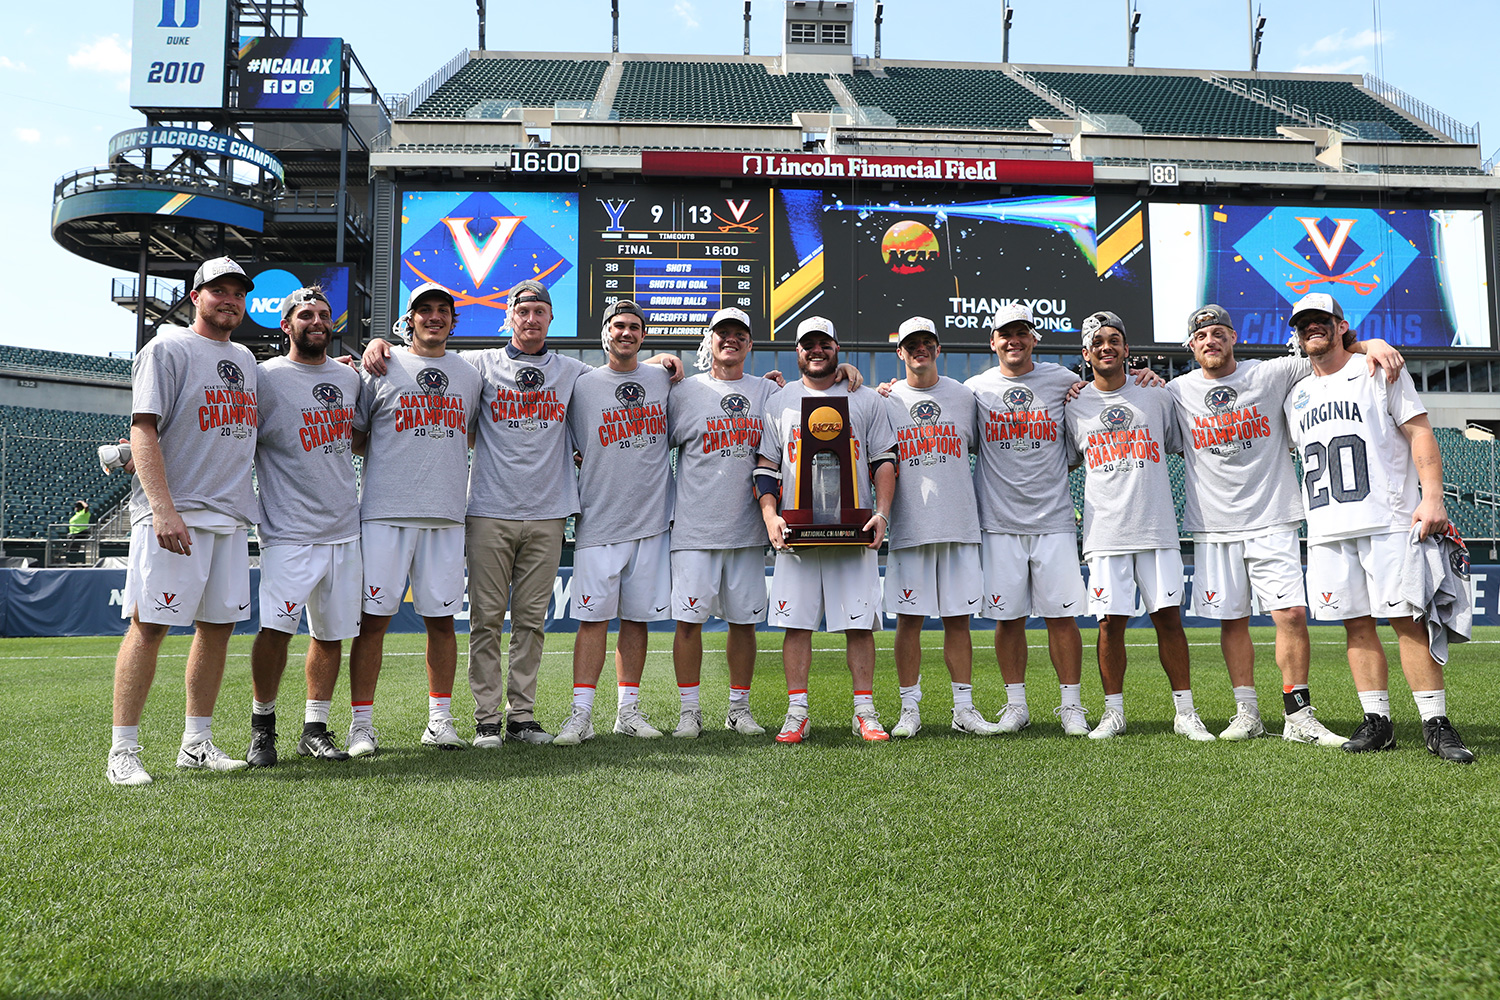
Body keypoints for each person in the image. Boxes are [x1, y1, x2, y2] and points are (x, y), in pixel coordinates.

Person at [361, 280, 683, 747]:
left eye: (540, 312)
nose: (531, 319)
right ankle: (487, 718)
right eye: (523, 311)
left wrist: (660, 361)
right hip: (488, 509)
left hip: (550, 511)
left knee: (532, 621)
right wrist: (379, 344)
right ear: (509, 317)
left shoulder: (573, 372)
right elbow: (425, 360)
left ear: (552, 319)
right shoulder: (477, 365)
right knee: (487, 619)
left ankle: (522, 716)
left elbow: (619, 370)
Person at [1168, 303, 1402, 745]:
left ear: (1234, 337)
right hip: (1212, 524)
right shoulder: (1176, 391)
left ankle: (1297, 715)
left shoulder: (1272, 373)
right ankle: (1247, 712)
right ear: (1191, 346)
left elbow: (1330, 353)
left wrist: (1373, 343)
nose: (1211, 341)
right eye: (1201, 337)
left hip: (1272, 516)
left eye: (1219, 332)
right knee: (1232, 620)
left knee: (1292, 614)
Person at [1283, 292, 1474, 762]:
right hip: (1328, 525)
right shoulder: (1295, 393)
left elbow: (1420, 430)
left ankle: (1435, 723)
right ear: (1296, 333)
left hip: (1386, 518)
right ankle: (1378, 722)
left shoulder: (1378, 368)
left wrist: (1433, 497)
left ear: (1340, 325)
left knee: (1408, 622)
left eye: (1322, 320)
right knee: (1356, 625)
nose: (1313, 328)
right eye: (1304, 323)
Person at [105, 256, 260, 786]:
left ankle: (197, 742)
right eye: (219, 290)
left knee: (217, 630)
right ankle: (123, 750)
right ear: (196, 296)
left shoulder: (243, 356)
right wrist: (162, 508)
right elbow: (143, 430)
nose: (230, 300)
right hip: (177, 513)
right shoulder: (166, 346)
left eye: (239, 293)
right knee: (149, 627)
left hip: (230, 515)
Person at [1064, 311, 1213, 742]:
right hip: (1105, 533)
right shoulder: (1073, 404)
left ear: (1127, 349)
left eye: (1115, 339)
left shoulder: (1158, 395)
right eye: (1097, 342)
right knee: (1110, 623)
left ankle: (1185, 712)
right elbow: (1068, 458)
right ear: (1087, 354)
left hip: (1156, 529)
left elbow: (1183, 445)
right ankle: (1114, 713)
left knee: (1169, 619)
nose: (1106, 347)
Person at [346, 282, 481, 756]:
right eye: (425, 310)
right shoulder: (380, 366)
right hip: (384, 512)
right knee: (373, 622)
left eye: (443, 310)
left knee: (442, 622)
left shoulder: (469, 373)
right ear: (409, 320)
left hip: (446, 515)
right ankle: (362, 724)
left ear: (453, 321)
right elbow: (357, 437)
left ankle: (440, 720)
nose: (435, 317)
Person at [757, 316, 898, 743]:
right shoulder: (779, 401)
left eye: (824, 343)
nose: (816, 350)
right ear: (796, 351)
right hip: (798, 533)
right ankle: (797, 711)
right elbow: (766, 467)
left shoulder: (866, 398)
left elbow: (883, 461)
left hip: (853, 530)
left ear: (836, 347)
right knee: (796, 625)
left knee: (859, 625)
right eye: (807, 344)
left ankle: (864, 711)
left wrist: (883, 513)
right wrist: (770, 515)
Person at [244, 286, 363, 766]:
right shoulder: (263, 377)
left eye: (324, 314)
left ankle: (314, 728)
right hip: (288, 529)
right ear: (286, 324)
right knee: (275, 630)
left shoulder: (349, 379)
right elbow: (226, 433)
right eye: (306, 314)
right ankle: (262, 729)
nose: (317, 321)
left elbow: (359, 438)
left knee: (330, 635)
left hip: (343, 526)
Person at [965, 304, 1092, 737]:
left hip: (1054, 520)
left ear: (1034, 338)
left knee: (1062, 617)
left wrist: (1146, 375)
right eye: (1005, 334)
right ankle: (1015, 704)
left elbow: (1097, 407)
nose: (1013, 341)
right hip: (998, 522)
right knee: (1009, 619)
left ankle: (1071, 705)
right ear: (993, 340)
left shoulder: (1062, 381)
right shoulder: (976, 389)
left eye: (1021, 333)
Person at [553, 301, 675, 744]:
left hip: (651, 522)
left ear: (644, 336)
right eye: (618, 325)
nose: (626, 332)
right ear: (605, 332)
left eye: (634, 327)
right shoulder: (580, 384)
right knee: (592, 621)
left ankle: (627, 711)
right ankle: (580, 714)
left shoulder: (662, 378)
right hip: (598, 522)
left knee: (637, 620)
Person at [881, 317, 1002, 738]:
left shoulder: (965, 395)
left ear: (937, 348)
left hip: (959, 523)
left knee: (958, 620)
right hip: (911, 527)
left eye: (926, 343)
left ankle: (963, 708)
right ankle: (909, 709)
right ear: (900, 352)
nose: (919, 350)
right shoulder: (886, 399)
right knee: (908, 621)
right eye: (911, 344)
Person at [665, 307, 777, 738]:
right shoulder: (684, 392)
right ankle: (689, 711)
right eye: (722, 333)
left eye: (739, 335)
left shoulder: (767, 392)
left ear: (749, 344)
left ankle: (738, 708)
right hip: (694, 527)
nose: (730, 340)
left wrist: (847, 370)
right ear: (709, 341)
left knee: (743, 623)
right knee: (689, 623)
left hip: (747, 529)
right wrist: (661, 362)